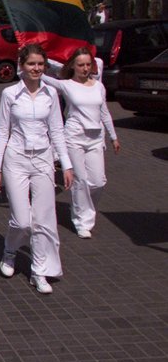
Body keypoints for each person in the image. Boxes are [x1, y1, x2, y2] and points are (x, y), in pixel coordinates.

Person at [0, 45, 74, 295]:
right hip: (15, 159)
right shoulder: (10, 94)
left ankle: (40, 270)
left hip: (42, 160)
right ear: (22, 65)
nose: (36, 68)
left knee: (45, 220)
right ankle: (10, 250)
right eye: (31, 64)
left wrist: (66, 164)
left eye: (40, 64)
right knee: (22, 220)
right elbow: (2, 132)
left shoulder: (51, 94)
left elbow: (57, 131)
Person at [40, 48, 120, 239]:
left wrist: (113, 136)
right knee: (80, 180)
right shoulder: (66, 85)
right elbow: (41, 76)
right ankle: (82, 221)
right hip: (74, 137)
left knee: (98, 182)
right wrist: (25, 60)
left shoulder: (99, 86)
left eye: (87, 65)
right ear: (73, 67)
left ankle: (86, 211)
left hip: (95, 139)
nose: (85, 69)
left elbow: (105, 113)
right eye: (81, 65)